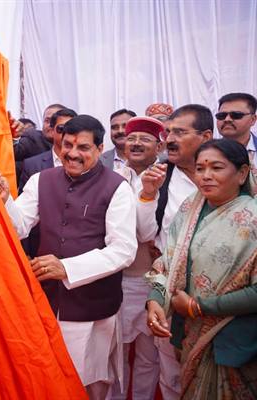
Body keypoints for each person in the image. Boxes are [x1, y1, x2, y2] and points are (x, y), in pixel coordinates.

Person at [0, 115, 137, 399]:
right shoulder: (41, 180)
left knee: (89, 382)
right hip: (46, 303)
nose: (72, 153)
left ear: (100, 148)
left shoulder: (117, 187)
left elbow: (123, 250)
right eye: (67, 145)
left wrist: (67, 268)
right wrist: (5, 200)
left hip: (92, 307)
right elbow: (18, 226)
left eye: (83, 147)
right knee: (49, 379)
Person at [146, 139, 257, 399]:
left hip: (236, 342)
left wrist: (198, 307)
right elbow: (168, 262)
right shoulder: (190, 208)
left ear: (242, 173)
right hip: (186, 333)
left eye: (216, 168)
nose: (206, 176)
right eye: (200, 168)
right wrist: (154, 300)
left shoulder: (252, 218)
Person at [136, 104, 213, 399]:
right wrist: (148, 194)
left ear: (206, 136)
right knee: (171, 374)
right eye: (167, 132)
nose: (169, 139)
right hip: (169, 291)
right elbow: (145, 235)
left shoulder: (233, 175)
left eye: (179, 132)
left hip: (221, 296)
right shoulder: (159, 176)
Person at [111, 117, 164, 399]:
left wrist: (148, 193)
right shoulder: (113, 177)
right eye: (132, 138)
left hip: (151, 281)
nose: (136, 143)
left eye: (145, 139)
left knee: (148, 354)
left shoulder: (167, 178)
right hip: (115, 279)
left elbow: (146, 234)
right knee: (116, 353)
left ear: (159, 146)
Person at [17, 108, 77, 259]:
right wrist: (25, 252)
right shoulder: (32, 164)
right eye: (61, 129)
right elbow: (22, 213)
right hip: (39, 249)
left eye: (71, 129)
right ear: (52, 130)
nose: (66, 133)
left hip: (77, 248)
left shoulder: (86, 163)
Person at [216, 92, 257, 169]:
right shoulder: (206, 152)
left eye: (236, 115)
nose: (227, 119)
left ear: (253, 119)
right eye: (222, 116)